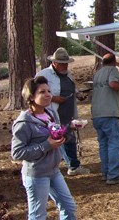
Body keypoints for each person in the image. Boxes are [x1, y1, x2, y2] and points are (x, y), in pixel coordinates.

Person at [11, 76, 91, 220]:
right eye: (42, 92)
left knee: (68, 206)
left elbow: (57, 134)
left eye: (48, 91)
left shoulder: (50, 113)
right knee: (38, 217)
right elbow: (17, 154)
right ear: (31, 97)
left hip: (54, 171)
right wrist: (46, 146)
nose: (48, 95)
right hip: (36, 175)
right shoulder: (24, 122)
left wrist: (69, 128)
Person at [37, 47, 90, 176]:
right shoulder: (44, 75)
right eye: (62, 63)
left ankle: (73, 165)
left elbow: (71, 89)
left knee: (69, 138)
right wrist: (54, 98)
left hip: (68, 113)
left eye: (66, 63)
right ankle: (69, 166)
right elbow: (35, 94)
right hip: (53, 114)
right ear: (54, 63)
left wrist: (78, 94)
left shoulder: (68, 75)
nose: (65, 66)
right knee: (59, 139)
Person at [92, 53, 119, 185]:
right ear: (114, 62)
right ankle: (113, 175)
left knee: (103, 143)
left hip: (96, 113)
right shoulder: (113, 70)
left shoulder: (97, 73)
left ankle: (105, 173)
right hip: (109, 112)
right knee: (114, 143)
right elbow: (112, 84)